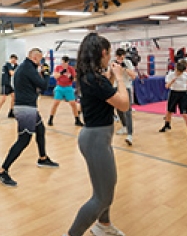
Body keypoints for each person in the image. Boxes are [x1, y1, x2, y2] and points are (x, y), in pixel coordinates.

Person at [65, 33, 129, 236]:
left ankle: (104, 225)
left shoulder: (90, 77)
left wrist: (110, 77)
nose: (109, 57)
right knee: (102, 197)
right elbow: (124, 104)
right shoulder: (94, 79)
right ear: (103, 52)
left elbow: (103, 94)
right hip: (95, 140)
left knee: (108, 185)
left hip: (99, 138)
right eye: (109, 53)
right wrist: (119, 78)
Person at [0, 48, 58, 187]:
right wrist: (46, 72)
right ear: (35, 58)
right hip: (25, 109)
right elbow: (44, 85)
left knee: (40, 129)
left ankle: (42, 158)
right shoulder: (27, 68)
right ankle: (2, 170)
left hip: (29, 107)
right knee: (23, 140)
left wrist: (41, 73)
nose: (41, 62)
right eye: (40, 60)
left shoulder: (25, 67)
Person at [159, 60, 187, 141]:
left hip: (183, 94)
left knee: (185, 114)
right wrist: (172, 81)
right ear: (176, 69)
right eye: (178, 71)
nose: (179, 73)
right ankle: (167, 125)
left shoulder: (186, 75)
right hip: (173, 93)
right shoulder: (171, 74)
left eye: (181, 72)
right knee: (169, 111)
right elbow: (167, 86)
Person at [48, 56, 84, 127]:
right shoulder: (58, 67)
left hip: (68, 88)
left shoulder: (71, 69)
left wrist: (70, 76)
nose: (63, 64)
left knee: (73, 104)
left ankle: (77, 120)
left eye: (64, 62)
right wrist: (61, 73)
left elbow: (74, 79)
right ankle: (50, 119)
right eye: (62, 62)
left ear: (67, 62)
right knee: (56, 103)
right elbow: (55, 76)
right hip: (59, 87)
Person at [112, 49, 137, 145]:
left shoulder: (128, 62)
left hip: (126, 87)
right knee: (118, 109)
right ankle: (124, 126)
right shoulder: (113, 63)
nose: (120, 58)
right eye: (118, 57)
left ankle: (130, 135)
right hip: (115, 87)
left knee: (128, 111)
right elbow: (110, 76)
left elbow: (134, 76)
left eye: (121, 56)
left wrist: (125, 68)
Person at [0, 54, 18, 123]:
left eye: (15, 60)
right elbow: (11, 73)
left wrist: (17, 67)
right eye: (13, 60)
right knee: (3, 99)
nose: (14, 61)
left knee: (14, 97)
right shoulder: (8, 64)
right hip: (5, 84)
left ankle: (11, 112)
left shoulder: (9, 65)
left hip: (9, 84)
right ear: (11, 59)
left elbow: (12, 71)